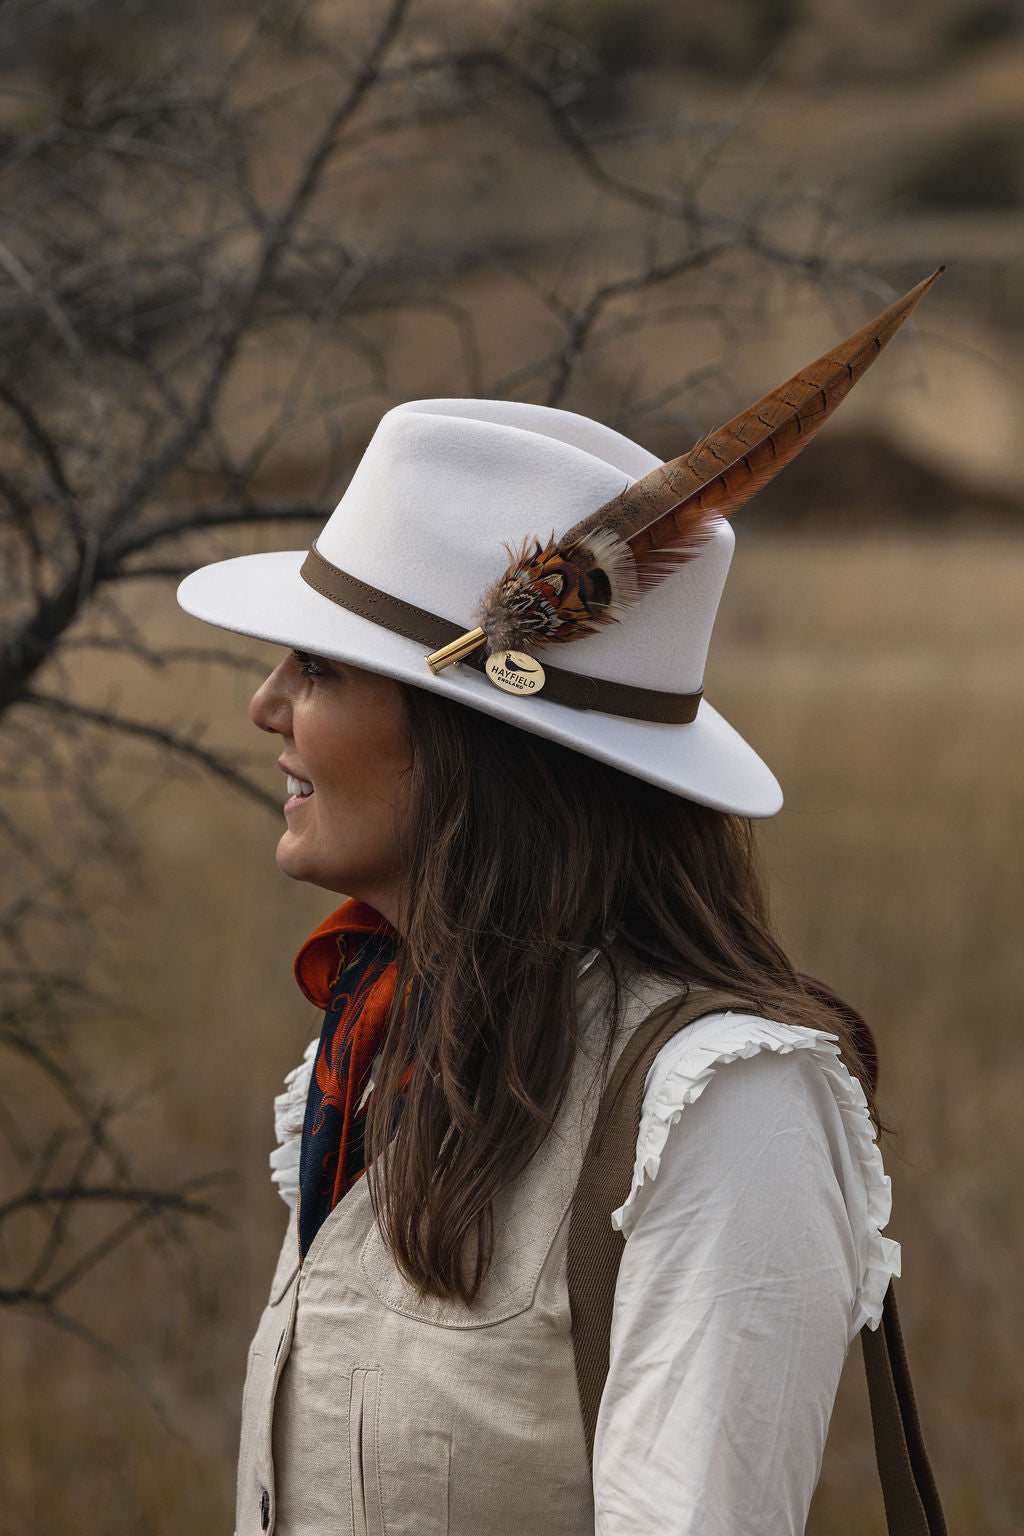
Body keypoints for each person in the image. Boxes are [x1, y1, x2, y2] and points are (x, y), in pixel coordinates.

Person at [176, 275, 940, 1536]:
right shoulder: (377, 1047)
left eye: (316, 669)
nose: (265, 707)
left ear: (474, 739)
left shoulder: (724, 1106)